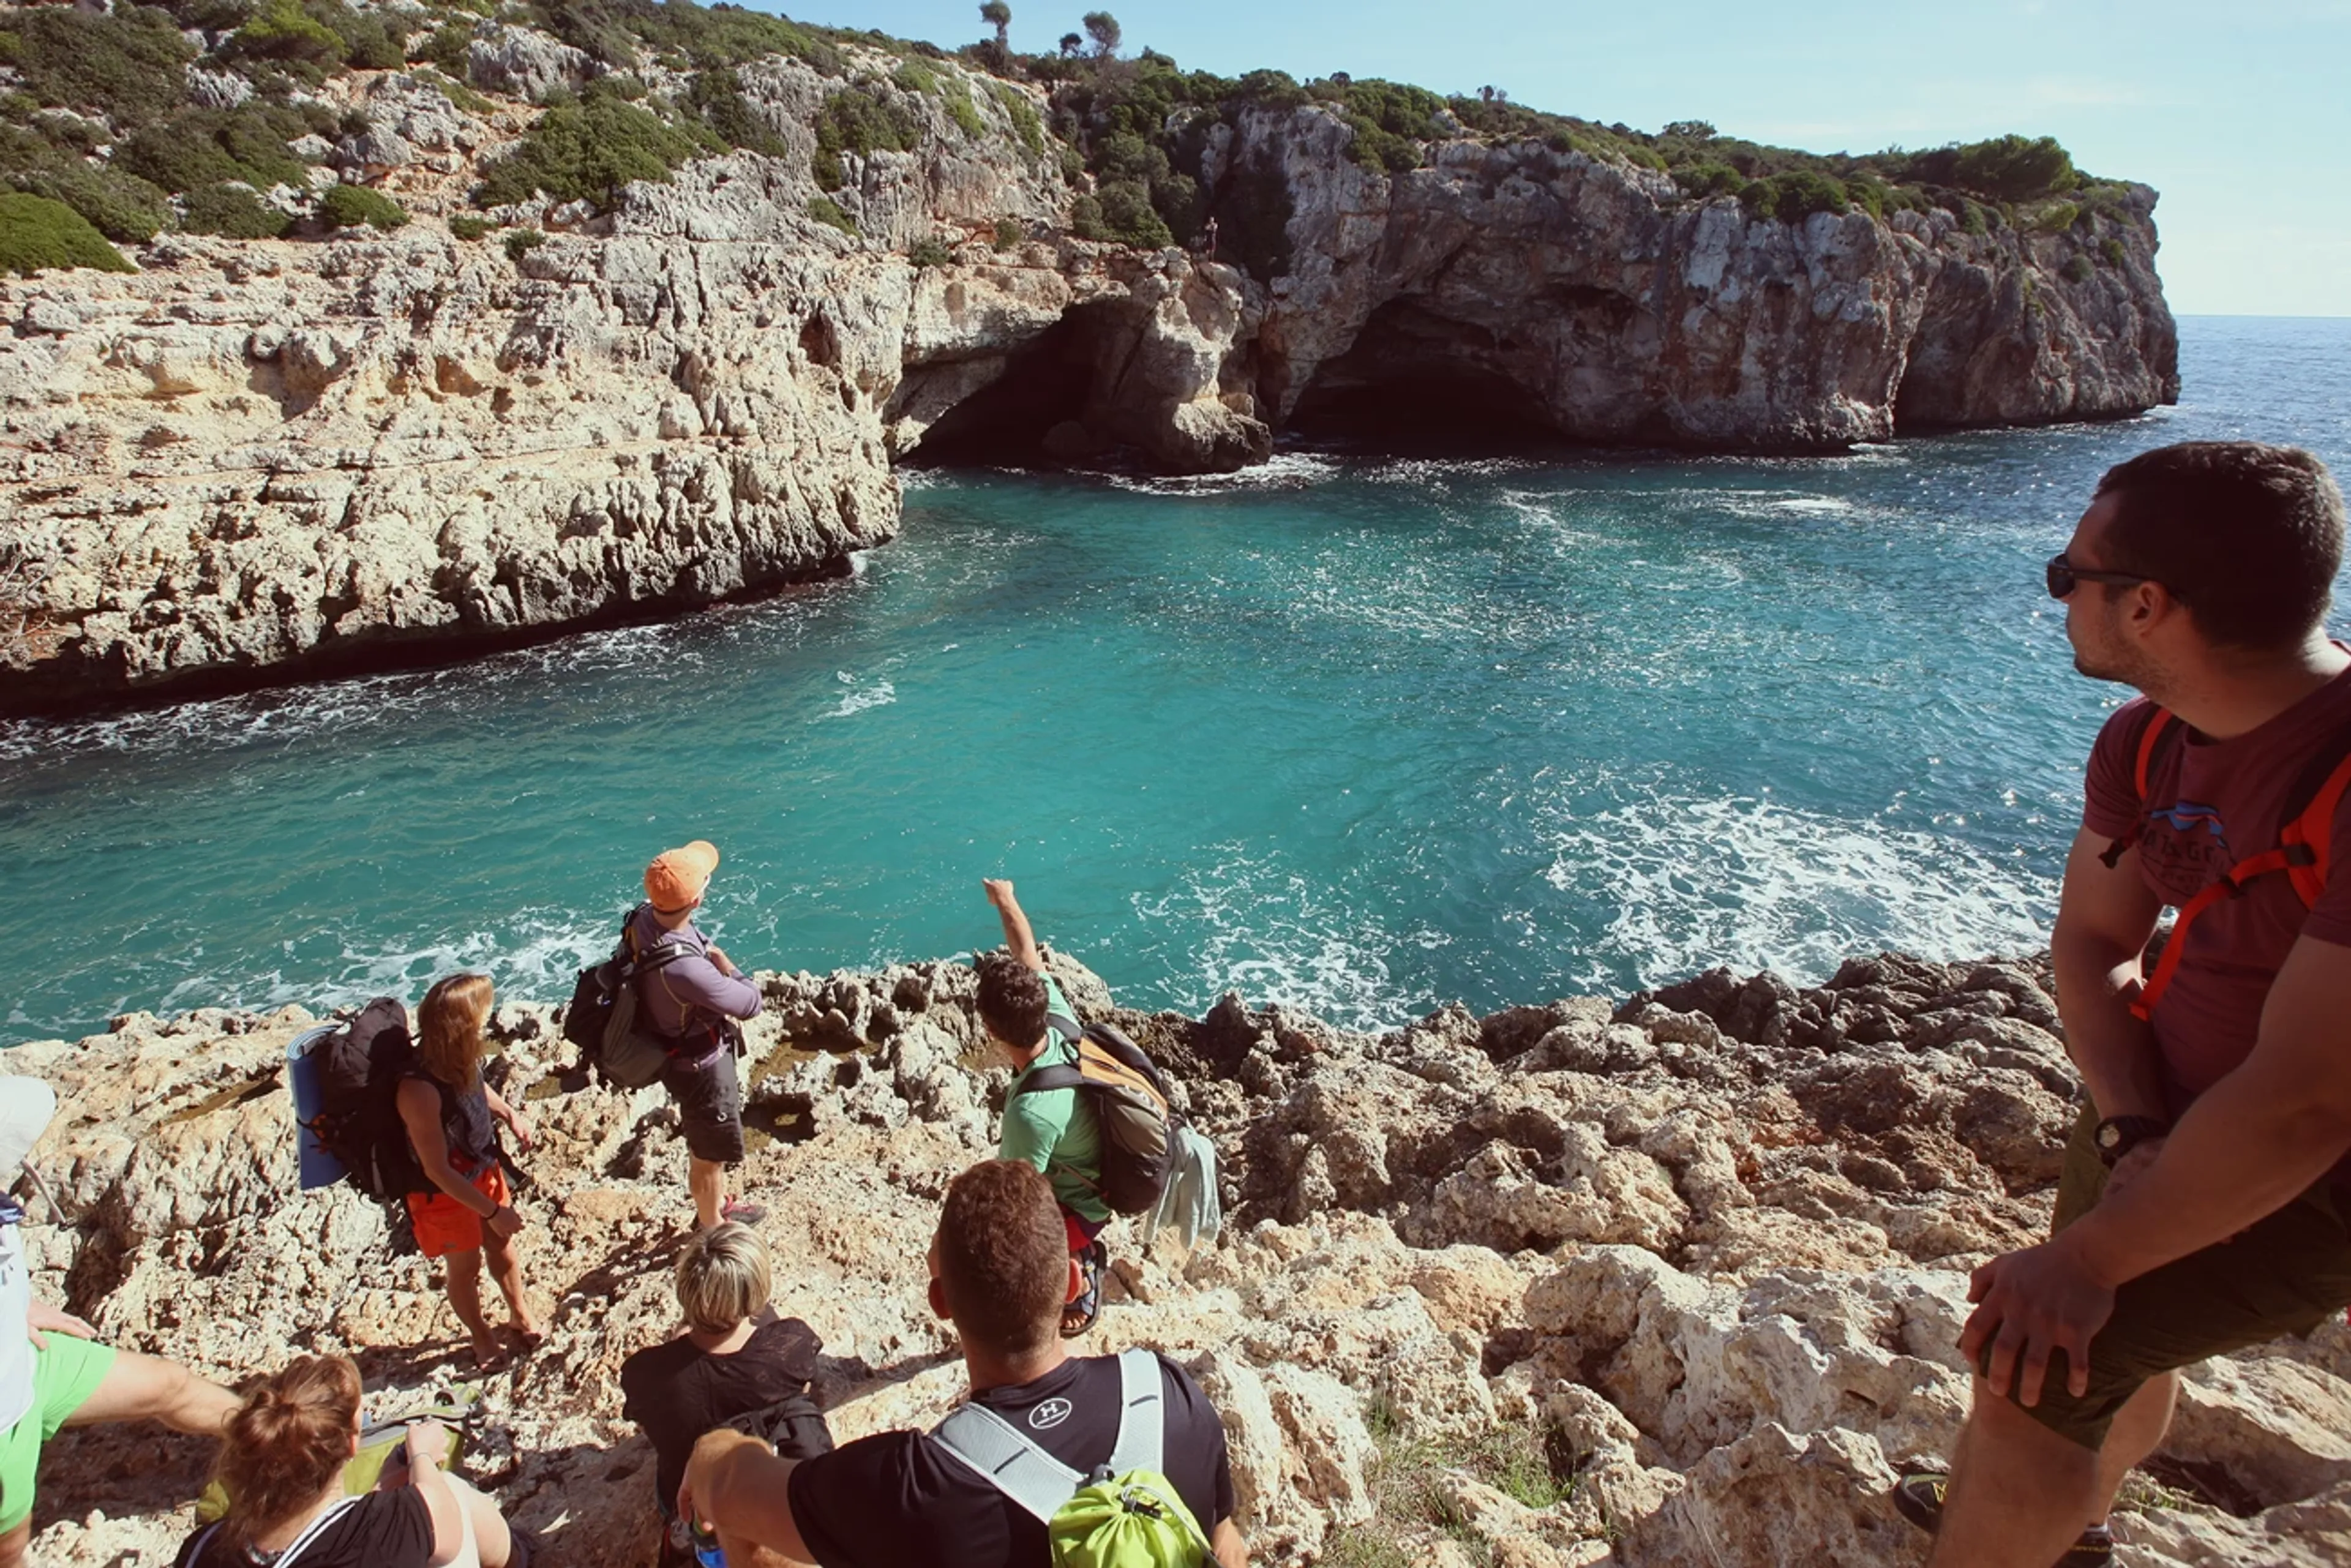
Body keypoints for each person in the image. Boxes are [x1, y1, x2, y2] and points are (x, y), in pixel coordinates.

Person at [1900, 441, 2351, 1568]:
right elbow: (2095, 942)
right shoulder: (2148, 739)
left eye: (2070, 575)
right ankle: (2072, 1525)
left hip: (2312, 1179)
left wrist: (2095, 1260)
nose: (2057, 594)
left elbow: (2307, 1102)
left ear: (2146, 605)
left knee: (2031, 1381)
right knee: (2107, 1360)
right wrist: (2133, 1125)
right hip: (2148, 1110)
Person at [682, 1159, 1248, 1568]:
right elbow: (1224, 1543)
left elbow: (730, 1492)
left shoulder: (911, 1487)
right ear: (1074, 1284)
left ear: (941, 1305)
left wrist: (715, 1449)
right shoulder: (1169, 1393)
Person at [0, 1075, 240, 1567]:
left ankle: (277, 1438)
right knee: (10, 1548)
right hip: (5, 1416)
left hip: (31, 1360)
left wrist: (20, 1303)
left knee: (170, 1384)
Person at [174, 1354, 516, 1568]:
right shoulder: (393, 1523)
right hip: (427, 1513)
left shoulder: (203, 1549)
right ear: (353, 1443)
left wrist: (381, 1490)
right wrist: (421, 1456)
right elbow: (439, 1515)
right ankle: (524, 1558)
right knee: (452, 1493)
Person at [620, 1223, 828, 1565]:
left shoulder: (646, 1373)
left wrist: (682, 1339)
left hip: (689, 1495)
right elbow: (803, 1386)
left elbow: (649, 1424)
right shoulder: (790, 1346)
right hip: (766, 1484)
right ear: (755, 1294)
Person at [974, 879, 1111, 1337]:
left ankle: (1081, 1271)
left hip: (1089, 1202)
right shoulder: (1057, 1016)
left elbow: (1018, 1199)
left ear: (991, 1031)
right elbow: (1026, 950)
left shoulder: (1030, 1113)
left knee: (1013, 1243)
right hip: (1098, 1164)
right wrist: (1007, 899)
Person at [397, 975, 539, 1371]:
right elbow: (436, 1169)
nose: (488, 1021)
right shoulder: (418, 1089)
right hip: (442, 1194)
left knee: (502, 1248)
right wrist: (493, 1211)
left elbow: (476, 1087)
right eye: (482, 1014)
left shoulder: (460, 1056)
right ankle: (481, 1335)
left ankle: (519, 1313)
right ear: (462, 1025)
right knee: (465, 1267)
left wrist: (508, 1113)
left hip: (484, 1169)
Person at [635, 840, 765, 1231]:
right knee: (708, 1153)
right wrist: (730, 969)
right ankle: (713, 1228)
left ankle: (715, 1203)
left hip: (671, 1047)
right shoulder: (687, 972)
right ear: (695, 901)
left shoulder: (644, 919)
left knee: (704, 1144)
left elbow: (693, 938)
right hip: (700, 1067)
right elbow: (750, 1003)